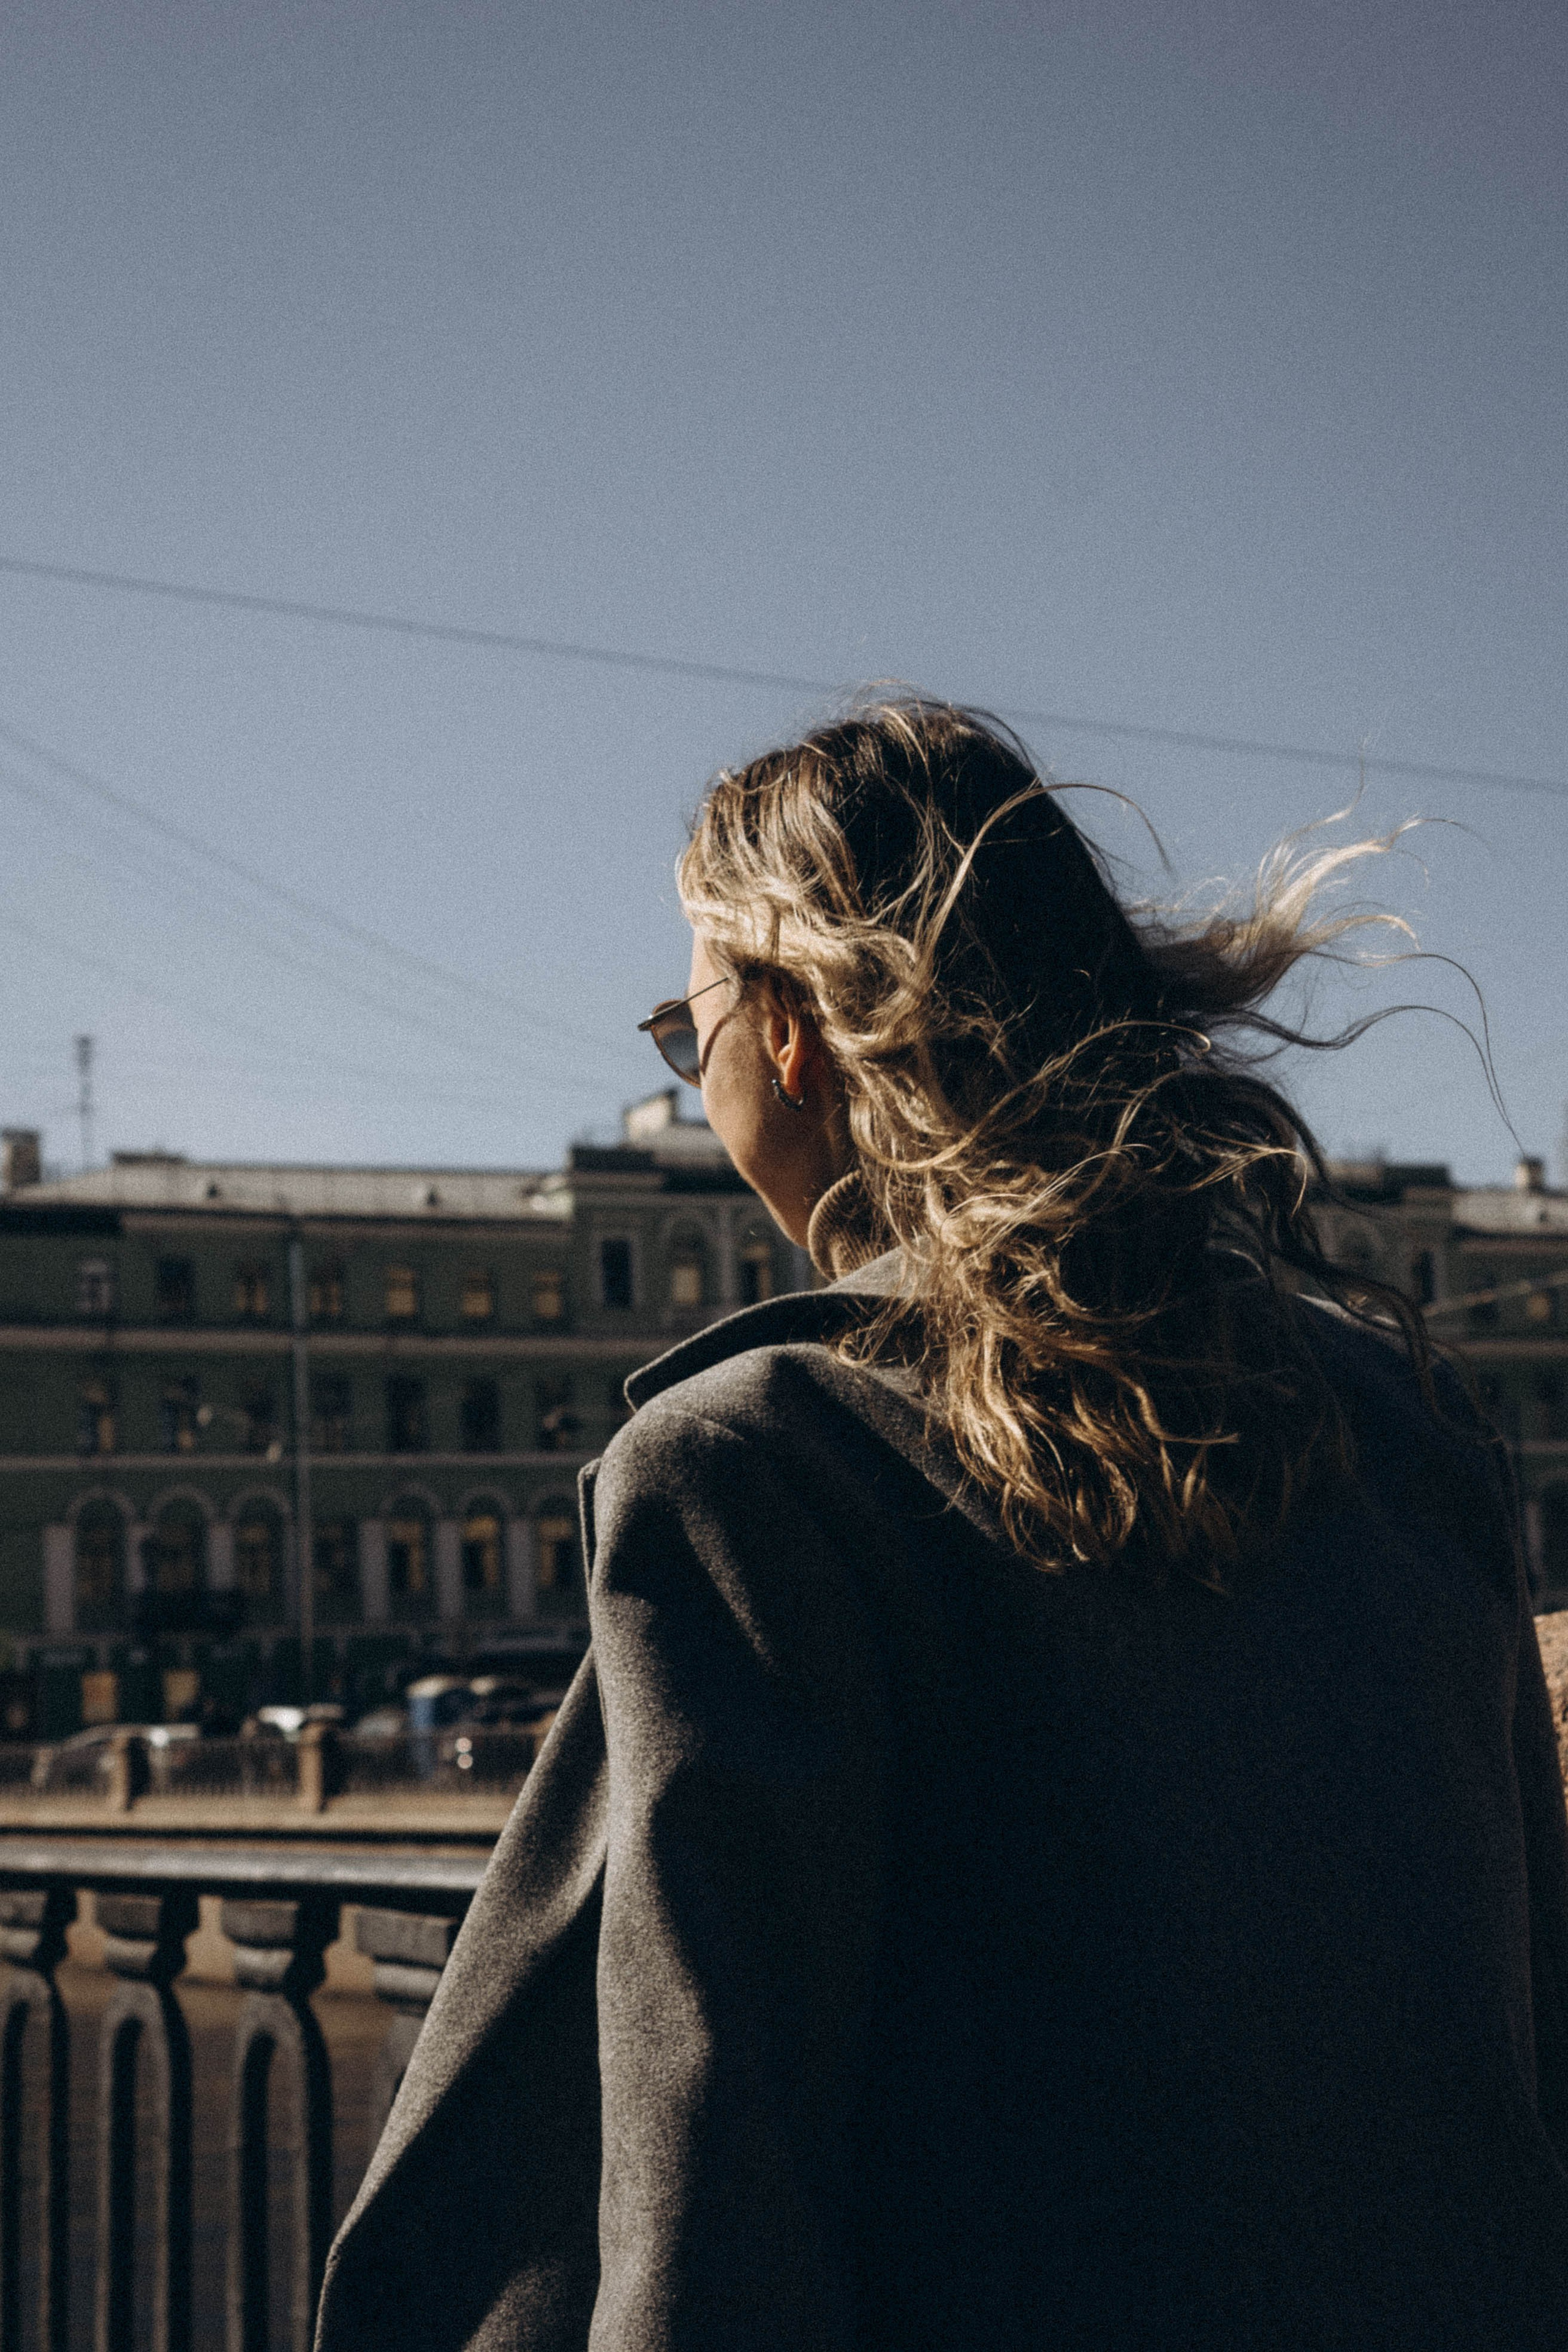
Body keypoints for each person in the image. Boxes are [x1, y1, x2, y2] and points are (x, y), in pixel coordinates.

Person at [316, 699, 1568, 2351]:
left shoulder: (758, 1467)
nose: (696, 1081)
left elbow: (710, 2203)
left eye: (687, 1026)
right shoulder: (1409, 1434)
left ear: (790, 1036)